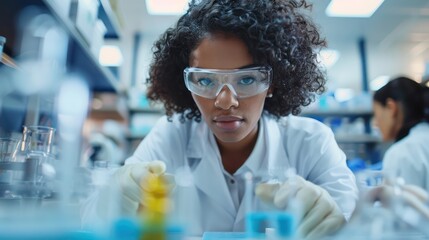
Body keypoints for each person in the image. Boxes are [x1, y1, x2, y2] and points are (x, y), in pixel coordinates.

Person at [82, 0, 358, 238]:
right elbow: (91, 223)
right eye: (204, 80)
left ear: (273, 82)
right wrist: (111, 201)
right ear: (186, 82)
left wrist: (339, 227)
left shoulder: (312, 143)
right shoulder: (171, 135)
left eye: (247, 78)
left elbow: (361, 227)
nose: (225, 101)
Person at [373, 76, 429, 191]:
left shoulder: (401, 153)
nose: (376, 123)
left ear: (391, 107)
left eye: (376, 114)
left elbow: (396, 207)